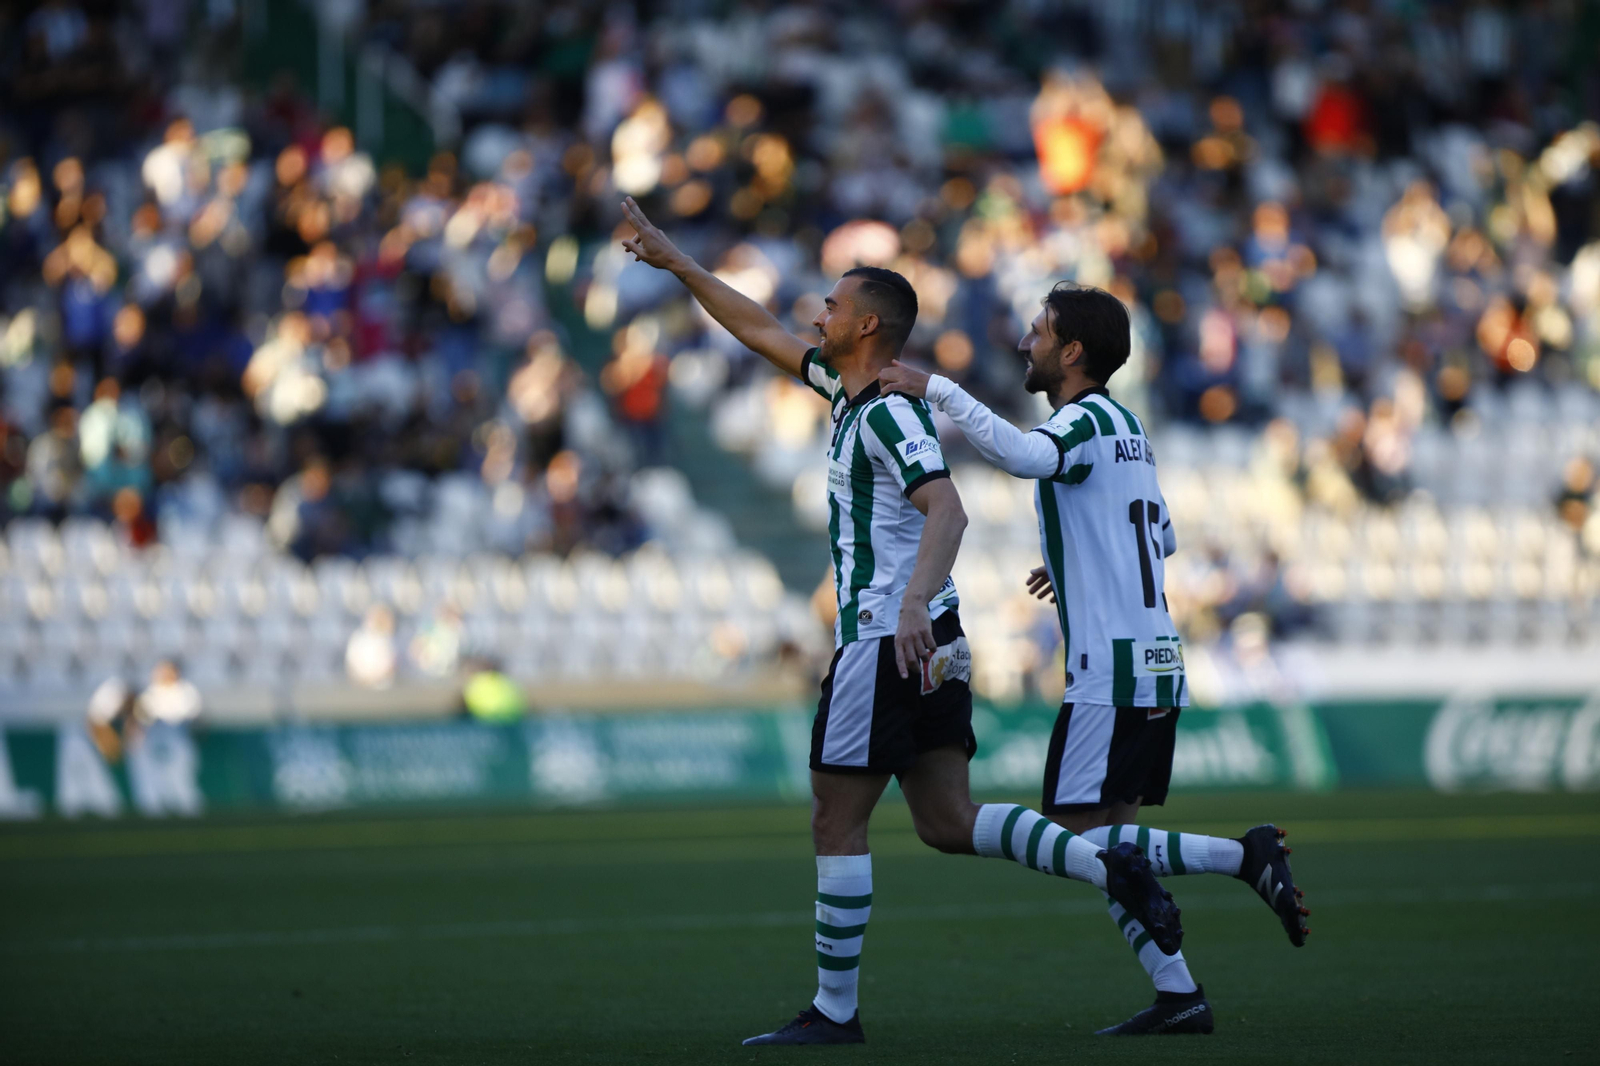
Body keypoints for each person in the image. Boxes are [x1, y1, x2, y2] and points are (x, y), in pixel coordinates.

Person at [621, 199, 1184, 1046]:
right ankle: (1110, 867)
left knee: (834, 817)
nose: (818, 313)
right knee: (946, 823)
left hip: (887, 635)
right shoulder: (844, 388)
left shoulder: (885, 410)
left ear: (868, 325)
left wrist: (914, 600)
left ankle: (834, 1013)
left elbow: (947, 511)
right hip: (930, 640)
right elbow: (761, 330)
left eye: (834, 306)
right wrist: (681, 267)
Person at [881, 283, 1310, 1035]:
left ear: (1071, 352)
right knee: (1112, 845)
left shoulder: (1079, 422)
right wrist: (1081, 553)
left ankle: (1245, 856)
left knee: (1080, 843)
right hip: (1154, 658)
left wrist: (938, 388)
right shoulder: (1129, 427)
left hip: (1110, 667)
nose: (1025, 343)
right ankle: (1180, 995)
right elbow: (1163, 538)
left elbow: (1019, 454)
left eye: (1039, 332)